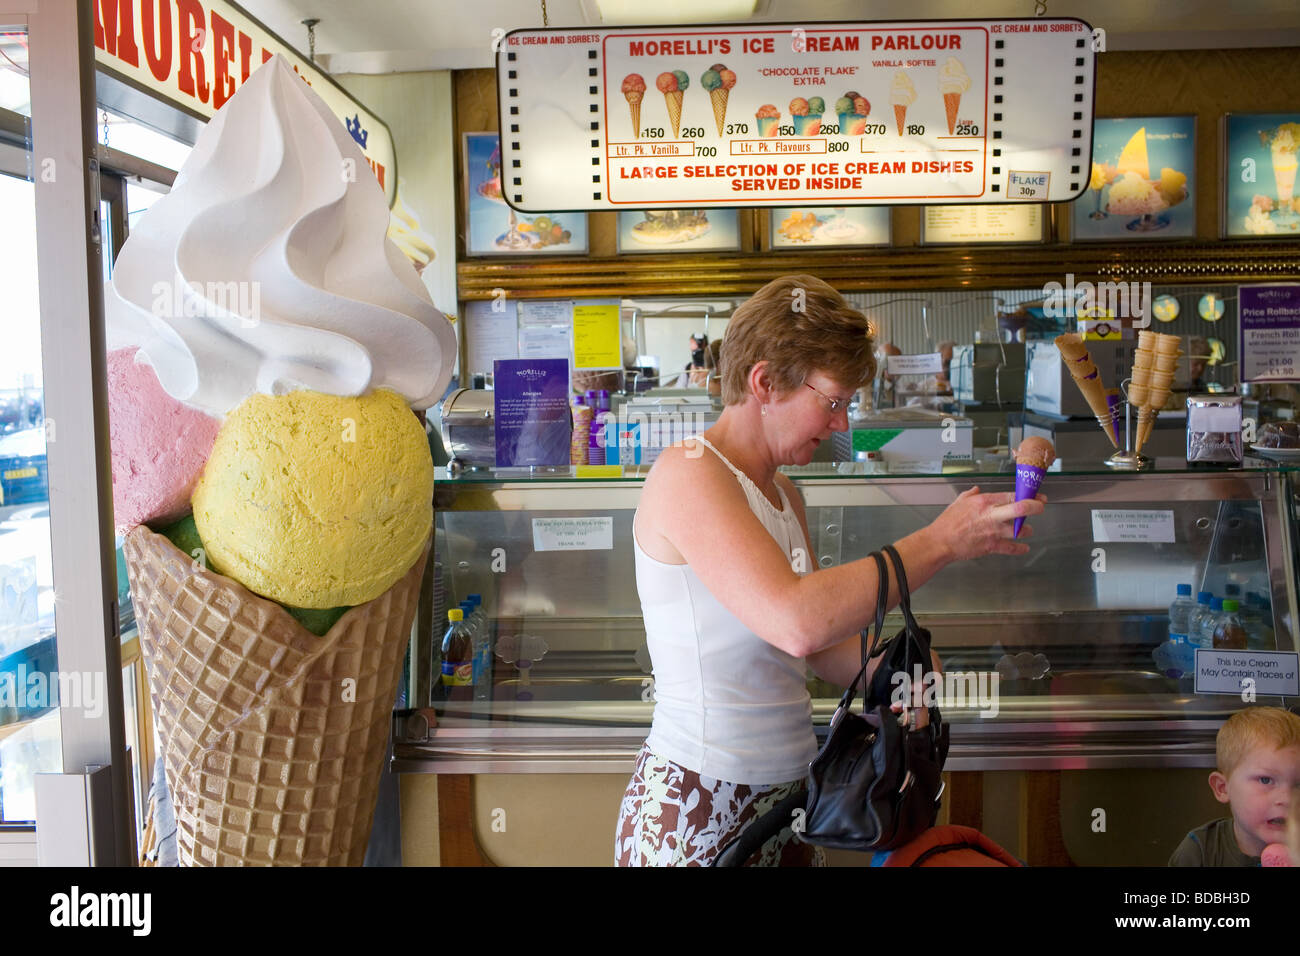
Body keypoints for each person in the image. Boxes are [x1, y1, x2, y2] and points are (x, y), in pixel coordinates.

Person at [615, 275, 1047, 867]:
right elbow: (796, 620)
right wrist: (940, 542)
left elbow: (817, 653)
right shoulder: (690, 471)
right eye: (834, 401)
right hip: (698, 800)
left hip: (795, 796)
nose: (842, 424)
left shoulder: (785, 495)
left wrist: (901, 673)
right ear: (764, 382)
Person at [1169, 706, 1300, 866]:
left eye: (1298, 785)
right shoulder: (1200, 852)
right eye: (1265, 780)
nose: (1287, 799)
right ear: (1222, 788)